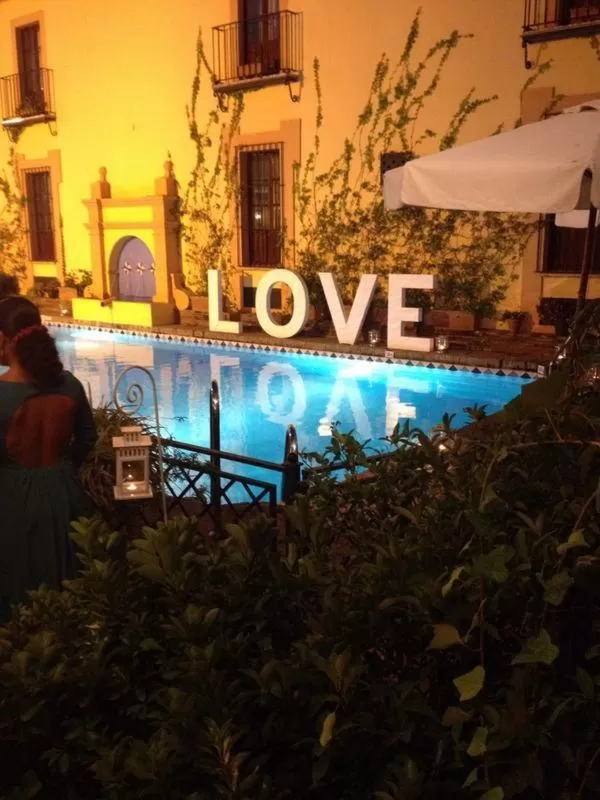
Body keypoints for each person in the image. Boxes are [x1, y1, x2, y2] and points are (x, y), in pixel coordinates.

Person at [0, 296, 97, 619]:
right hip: (63, 491)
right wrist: (65, 468)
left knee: (19, 582)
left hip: (13, 497)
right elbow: (88, 437)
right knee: (67, 576)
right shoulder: (69, 385)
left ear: (3, 339)